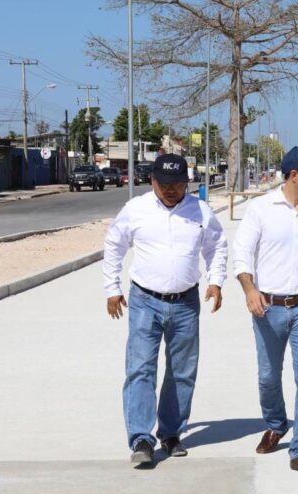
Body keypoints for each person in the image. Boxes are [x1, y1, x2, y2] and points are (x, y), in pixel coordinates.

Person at [103, 153, 228, 465]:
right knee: (140, 369)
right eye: (164, 183)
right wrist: (112, 288)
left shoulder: (200, 210)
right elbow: (114, 246)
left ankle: (171, 433)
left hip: (185, 303)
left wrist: (216, 280)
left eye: (178, 183)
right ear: (152, 181)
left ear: (187, 182)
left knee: (182, 372)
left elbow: (216, 246)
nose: (171, 189)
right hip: (145, 301)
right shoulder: (136, 209)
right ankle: (141, 439)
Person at [233, 146, 298, 474]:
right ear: (295, 175)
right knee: (268, 376)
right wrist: (250, 290)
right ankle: (277, 423)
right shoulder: (261, 208)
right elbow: (242, 252)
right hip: (269, 307)